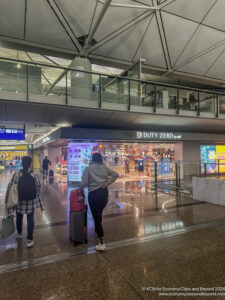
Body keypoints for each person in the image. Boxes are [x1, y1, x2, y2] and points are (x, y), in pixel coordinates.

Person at [81, 153, 119, 251]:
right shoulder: (104, 168)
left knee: (97, 218)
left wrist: (82, 183)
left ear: (92, 159)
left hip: (93, 195)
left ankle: (101, 242)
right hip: (104, 194)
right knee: (98, 214)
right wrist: (107, 183)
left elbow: (84, 183)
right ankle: (97, 230)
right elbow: (116, 174)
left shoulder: (88, 169)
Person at [5, 156, 43, 248]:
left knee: (19, 217)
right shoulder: (34, 173)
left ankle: (20, 233)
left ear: (22, 163)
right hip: (31, 201)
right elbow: (38, 185)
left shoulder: (17, 173)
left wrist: (7, 198)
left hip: (19, 200)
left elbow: (10, 184)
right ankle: (30, 239)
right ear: (30, 164)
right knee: (30, 220)